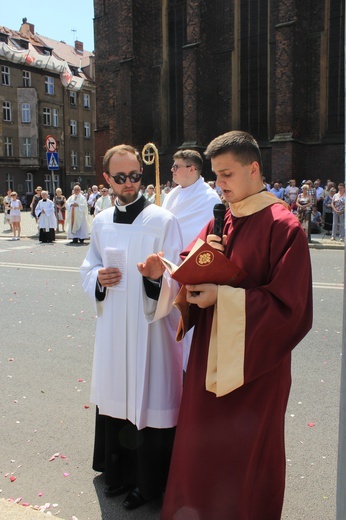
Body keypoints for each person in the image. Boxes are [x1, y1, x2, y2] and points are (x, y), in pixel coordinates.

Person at [138, 130, 313, 520]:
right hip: (206, 360)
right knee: (201, 450)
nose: (220, 186)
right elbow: (189, 268)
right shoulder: (224, 219)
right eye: (216, 176)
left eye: (227, 175)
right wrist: (162, 275)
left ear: (254, 169)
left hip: (256, 370)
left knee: (245, 456)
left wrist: (224, 298)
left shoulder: (284, 228)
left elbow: (293, 309)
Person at [80, 144, 184, 511]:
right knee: (115, 399)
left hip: (148, 332)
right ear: (107, 179)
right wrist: (97, 277)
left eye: (135, 175)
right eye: (121, 177)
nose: (130, 183)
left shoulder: (162, 220)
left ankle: (148, 484)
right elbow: (87, 266)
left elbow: (179, 278)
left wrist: (157, 280)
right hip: (112, 332)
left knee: (146, 399)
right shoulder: (103, 221)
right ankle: (118, 473)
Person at [162, 149, 221, 367]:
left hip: (190, 270)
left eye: (176, 166)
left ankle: (188, 370)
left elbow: (205, 237)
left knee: (187, 331)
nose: (172, 170)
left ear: (192, 168)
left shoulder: (208, 198)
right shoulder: (172, 194)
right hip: (168, 266)